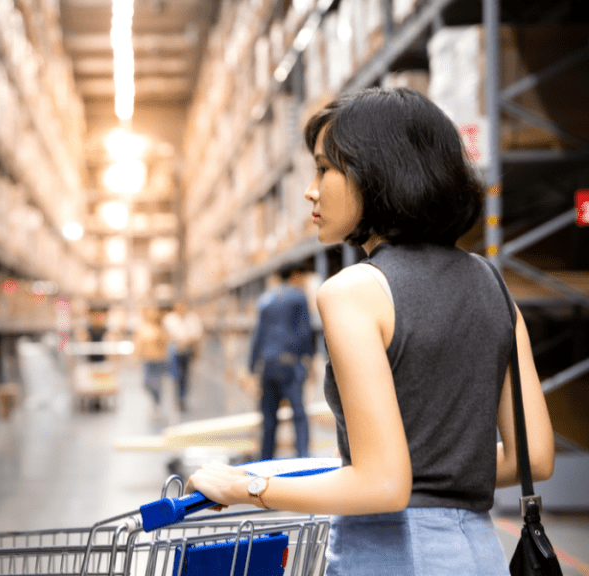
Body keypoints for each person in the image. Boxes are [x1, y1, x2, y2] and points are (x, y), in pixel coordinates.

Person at [185, 87, 556, 575]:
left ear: (376, 172)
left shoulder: (354, 292)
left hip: (393, 557)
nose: (309, 190)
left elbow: (383, 486)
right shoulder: (493, 287)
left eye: (324, 169)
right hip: (478, 554)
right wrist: (435, 474)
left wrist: (247, 488)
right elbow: (536, 458)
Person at [249, 265, 315, 460]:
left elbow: (258, 335)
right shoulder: (298, 297)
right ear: (295, 276)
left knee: (269, 418)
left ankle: (265, 460)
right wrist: (309, 359)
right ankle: (303, 458)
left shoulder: (265, 300)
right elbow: (305, 332)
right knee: (299, 416)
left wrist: (251, 367)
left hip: (268, 365)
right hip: (289, 364)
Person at [162, 300, 203, 412]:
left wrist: (188, 340)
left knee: (185, 376)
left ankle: (182, 399)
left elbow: (198, 334)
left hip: (187, 351)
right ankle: (175, 398)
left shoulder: (192, 318)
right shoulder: (169, 319)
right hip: (174, 351)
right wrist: (175, 340)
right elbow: (164, 334)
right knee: (175, 375)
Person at [136, 307, 168, 416]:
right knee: (146, 383)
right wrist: (136, 356)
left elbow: (165, 343)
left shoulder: (160, 329)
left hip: (158, 360)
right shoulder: (143, 328)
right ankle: (154, 401)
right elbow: (139, 343)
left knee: (156, 383)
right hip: (147, 360)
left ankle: (157, 404)